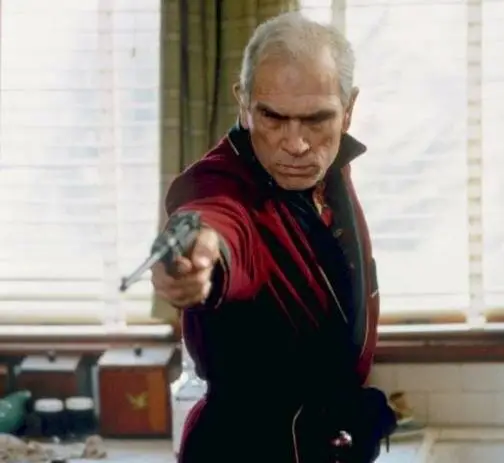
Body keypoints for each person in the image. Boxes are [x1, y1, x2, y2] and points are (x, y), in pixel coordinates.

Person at [152, 11, 396, 463]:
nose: (296, 145)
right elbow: (218, 219)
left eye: (316, 120)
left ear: (348, 110)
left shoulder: (328, 168)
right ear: (243, 104)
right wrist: (201, 255)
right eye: (272, 117)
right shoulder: (220, 184)